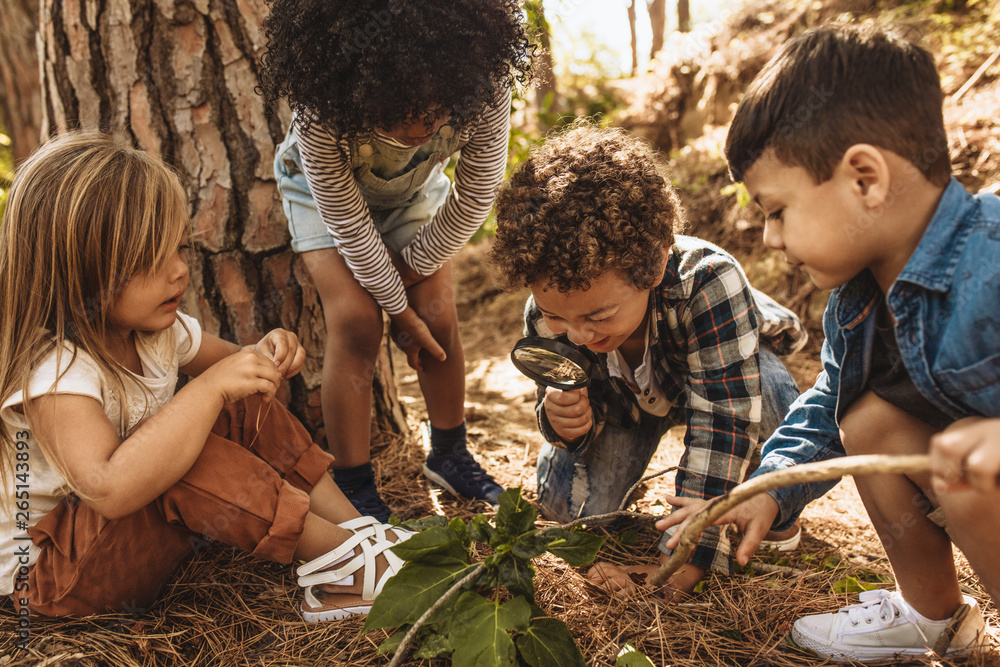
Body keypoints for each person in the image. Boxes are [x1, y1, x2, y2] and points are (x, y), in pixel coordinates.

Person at [659, 24, 998, 661]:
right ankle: (933, 616)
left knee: (969, 460)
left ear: (864, 179)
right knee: (866, 419)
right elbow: (823, 407)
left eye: (778, 209)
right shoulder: (855, 304)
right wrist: (768, 487)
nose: (769, 238)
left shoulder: (993, 258)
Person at [0, 132, 412, 622]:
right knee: (187, 447)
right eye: (151, 260)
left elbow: (238, 367)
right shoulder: (55, 373)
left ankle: (359, 534)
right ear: (78, 272)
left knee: (240, 402)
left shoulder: (156, 331)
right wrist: (210, 388)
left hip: (120, 543)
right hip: (54, 579)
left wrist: (267, 353)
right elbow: (110, 490)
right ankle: (345, 565)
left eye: (179, 249)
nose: (179, 272)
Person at [488, 123, 808, 600]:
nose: (578, 334)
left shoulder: (709, 282)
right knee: (566, 507)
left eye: (599, 314)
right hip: (625, 406)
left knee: (775, 399)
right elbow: (554, 397)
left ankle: (770, 503)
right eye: (558, 317)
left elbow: (723, 418)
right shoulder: (549, 312)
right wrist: (565, 424)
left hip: (718, 373)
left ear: (655, 264)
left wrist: (684, 557)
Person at [256, 0, 534, 521]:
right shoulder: (322, 112)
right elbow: (351, 227)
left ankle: (450, 454)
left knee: (437, 313)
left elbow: (474, 197)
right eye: (401, 111)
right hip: (323, 200)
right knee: (358, 321)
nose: (422, 126)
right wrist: (394, 310)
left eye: (436, 111)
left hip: (412, 195)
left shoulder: (485, 84)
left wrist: (409, 281)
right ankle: (355, 483)